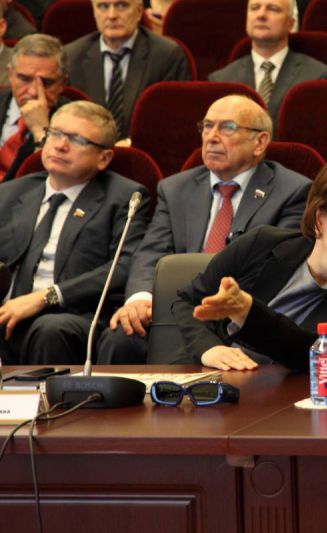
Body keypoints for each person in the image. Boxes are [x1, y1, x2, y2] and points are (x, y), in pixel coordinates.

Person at [96, 94, 312, 364]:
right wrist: (140, 298)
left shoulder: (292, 191)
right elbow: (152, 252)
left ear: (260, 142)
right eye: (207, 126)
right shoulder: (175, 188)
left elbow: (275, 271)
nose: (212, 137)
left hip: (237, 315)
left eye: (227, 127)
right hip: (176, 309)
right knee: (121, 336)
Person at [173, 143, 327, 372]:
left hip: (287, 396)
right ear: (320, 219)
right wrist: (208, 348)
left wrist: (248, 313)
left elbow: (315, 353)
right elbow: (188, 300)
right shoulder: (261, 244)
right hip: (205, 378)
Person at [0, 100, 149, 365]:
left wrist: (47, 297)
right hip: (8, 313)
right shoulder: (11, 193)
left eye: (77, 140)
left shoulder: (124, 197)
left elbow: (124, 265)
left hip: (74, 315)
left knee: (50, 329)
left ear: (104, 158)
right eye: (55, 133)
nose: (60, 145)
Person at [64, 0, 191, 139]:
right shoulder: (72, 57)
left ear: (139, 11)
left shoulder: (167, 56)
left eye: (122, 5)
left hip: (142, 146)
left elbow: (172, 120)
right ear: (94, 12)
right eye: (103, 6)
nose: (112, 15)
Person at [208, 0, 327, 122]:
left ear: (291, 24)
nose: (261, 15)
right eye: (255, 8)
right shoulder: (221, 80)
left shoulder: (317, 77)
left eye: (273, 9)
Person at [0, 33, 69, 182]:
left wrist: (40, 131)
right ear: (10, 75)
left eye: (46, 82)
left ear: (62, 84)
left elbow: (57, 180)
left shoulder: (73, 121)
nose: (33, 92)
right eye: (24, 79)